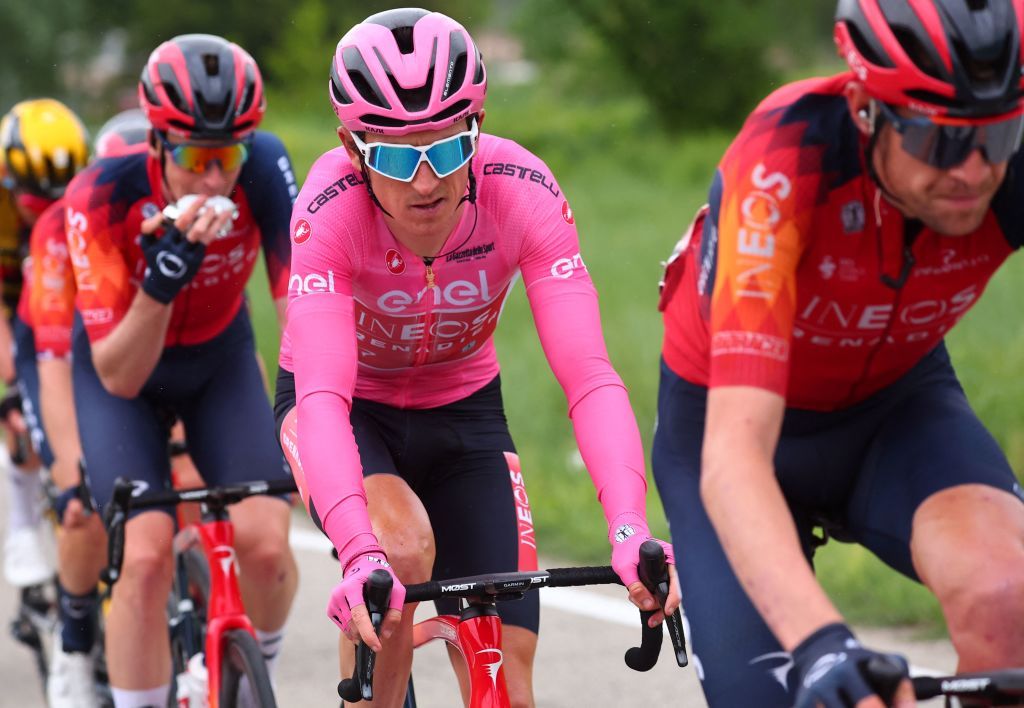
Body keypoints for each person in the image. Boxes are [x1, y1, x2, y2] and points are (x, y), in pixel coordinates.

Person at [274, 9, 679, 708]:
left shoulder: (523, 191)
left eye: (447, 149)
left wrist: (629, 527)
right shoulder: (328, 211)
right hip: (351, 412)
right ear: (352, 146)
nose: (426, 182)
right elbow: (323, 400)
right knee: (396, 553)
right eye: (397, 157)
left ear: (478, 130)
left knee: (508, 689)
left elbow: (588, 377)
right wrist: (358, 551)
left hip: (465, 412)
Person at [652, 0, 1024, 706]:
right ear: (865, 108)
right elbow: (735, 458)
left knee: (1008, 602)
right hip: (730, 423)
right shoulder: (786, 158)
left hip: (896, 411)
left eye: (1000, 136)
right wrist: (822, 645)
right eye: (941, 142)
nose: (974, 171)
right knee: (782, 694)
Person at [64, 34, 298, 708]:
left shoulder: (264, 167)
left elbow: (300, 313)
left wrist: (316, 422)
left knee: (264, 544)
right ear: (158, 144)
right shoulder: (100, 195)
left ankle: (258, 681)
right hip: (123, 376)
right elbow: (119, 375)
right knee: (143, 557)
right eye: (197, 159)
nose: (215, 180)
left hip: (220, 362)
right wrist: (161, 282)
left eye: (228, 157)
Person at [26, 108, 148, 708]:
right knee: (83, 502)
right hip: (62, 353)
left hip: (138, 358)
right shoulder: (60, 227)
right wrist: (70, 467)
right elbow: (49, 359)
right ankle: (75, 643)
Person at [0, 98, 88, 592]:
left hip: (58, 292)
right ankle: (22, 526)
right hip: (11, 299)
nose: (49, 206)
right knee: (27, 415)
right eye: (36, 197)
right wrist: (14, 383)